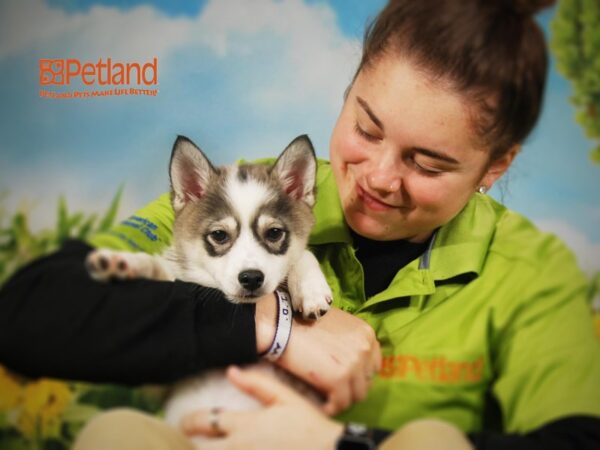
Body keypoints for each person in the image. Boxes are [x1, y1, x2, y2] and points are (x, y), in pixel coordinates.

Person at [1, 0, 599, 449]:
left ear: (496, 166)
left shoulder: (528, 269)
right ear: (347, 93)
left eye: (427, 162)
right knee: (120, 435)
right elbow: (28, 312)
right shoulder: (244, 195)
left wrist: (344, 442)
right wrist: (271, 324)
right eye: (366, 129)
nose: (378, 178)